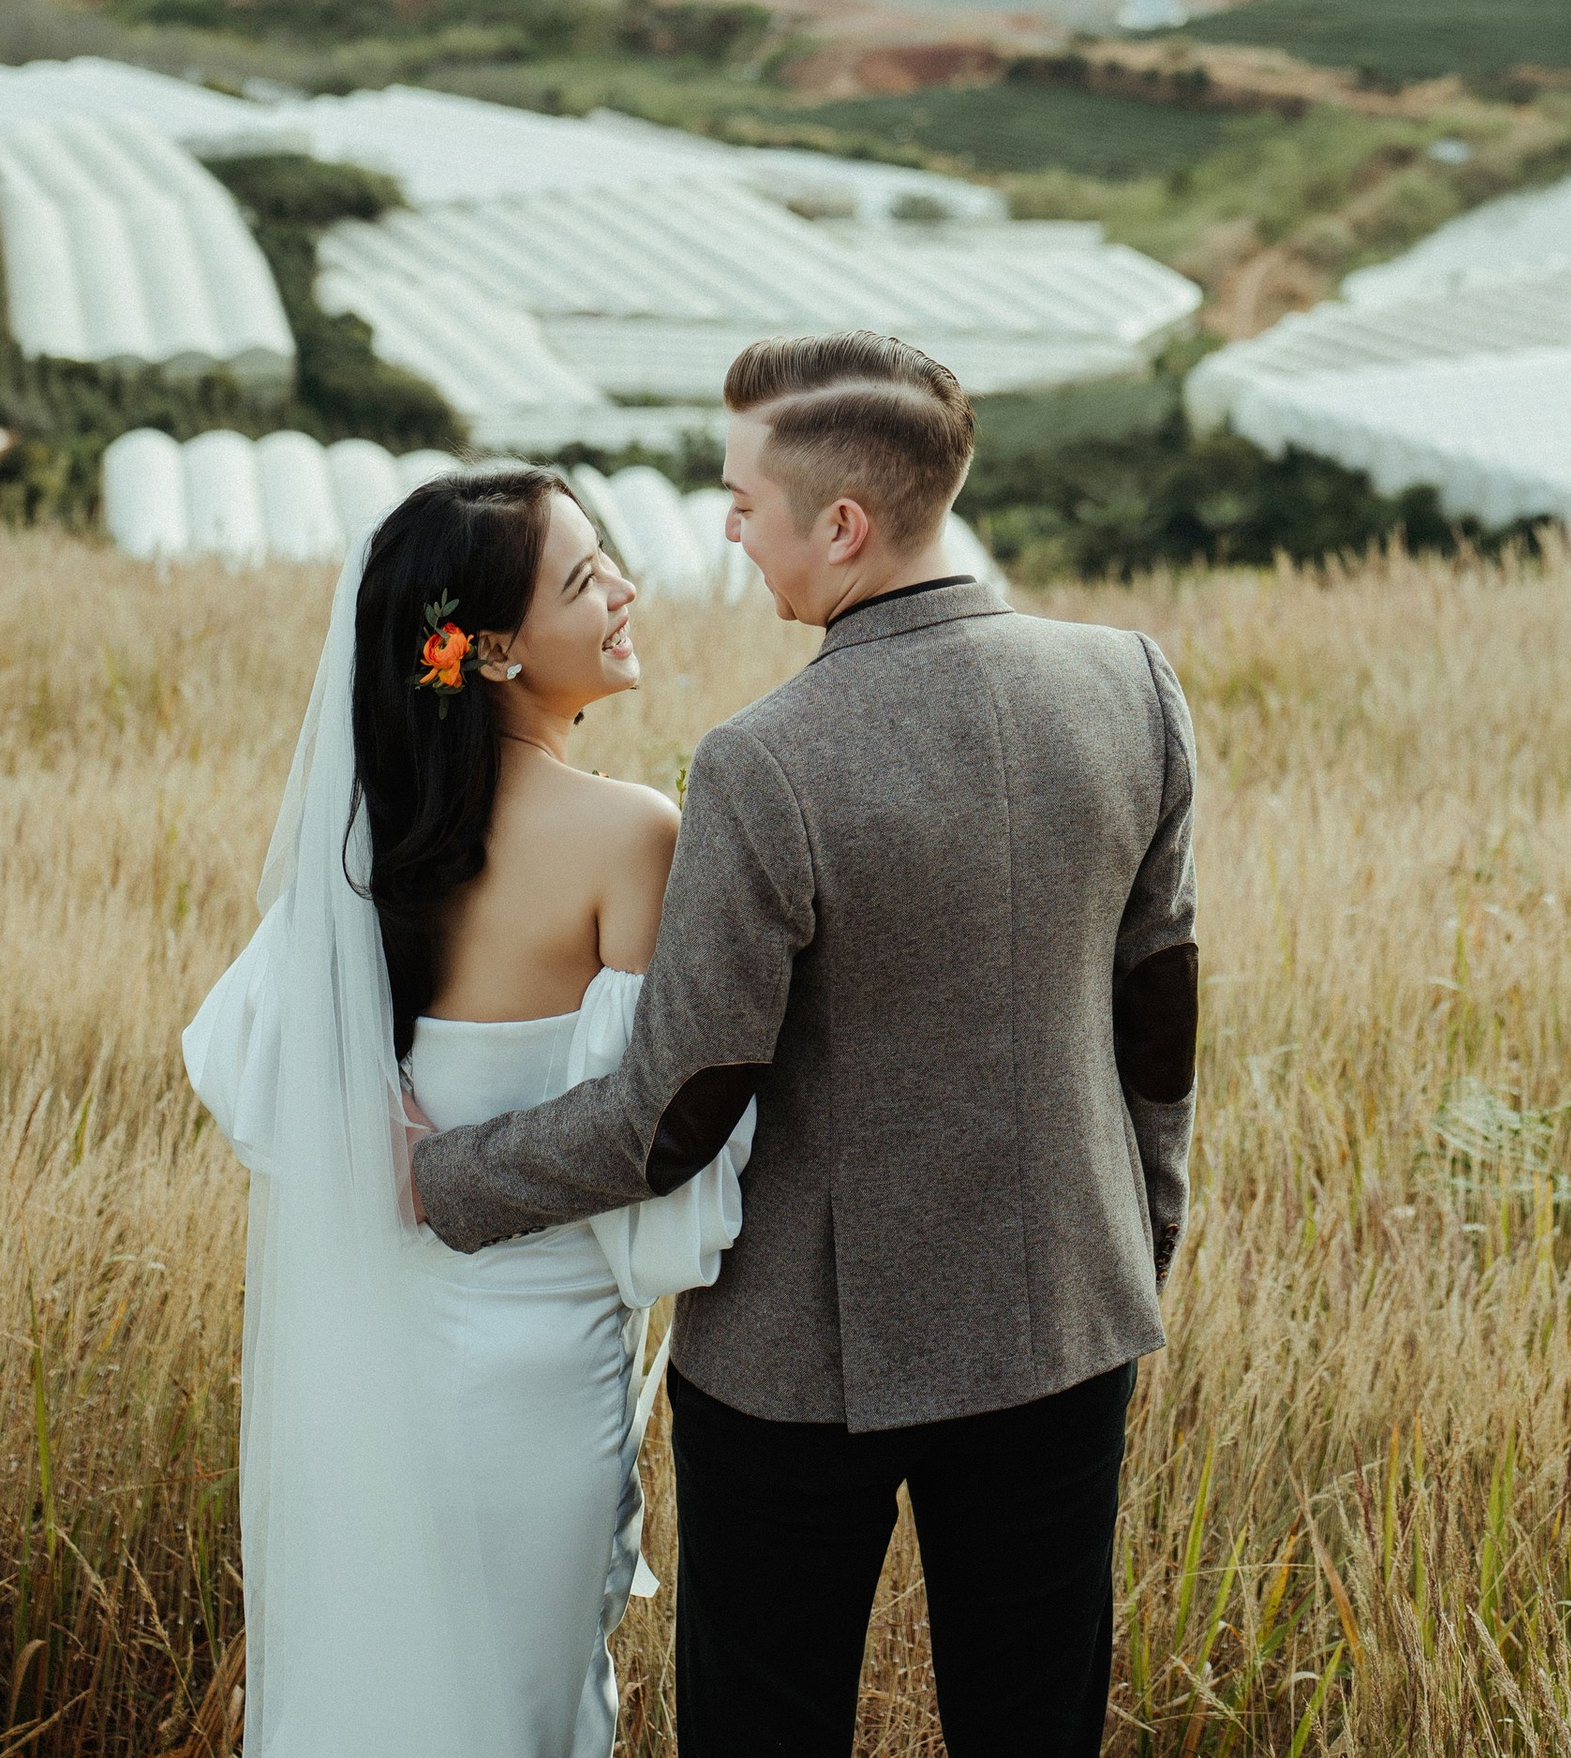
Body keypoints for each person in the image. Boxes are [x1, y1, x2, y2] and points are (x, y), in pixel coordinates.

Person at [414, 332, 1200, 1758]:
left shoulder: (764, 760)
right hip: (1071, 1320)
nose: (724, 523)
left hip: (802, 1365)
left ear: (839, 526)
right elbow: (1160, 1009)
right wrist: (1139, 1230)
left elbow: (679, 1105)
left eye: (741, 496)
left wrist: (451, 1176)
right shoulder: (1131, 684)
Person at [183, 465, 752, 1758]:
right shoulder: (630, 834)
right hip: (538, 1362)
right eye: (583, 575)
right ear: (491, 646)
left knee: (379, 1695)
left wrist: (374, 1141)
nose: (625, 589)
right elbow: (667, 1132)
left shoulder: (373, 836)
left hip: (369, 1357)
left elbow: (239, 1060)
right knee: (523, 1707)